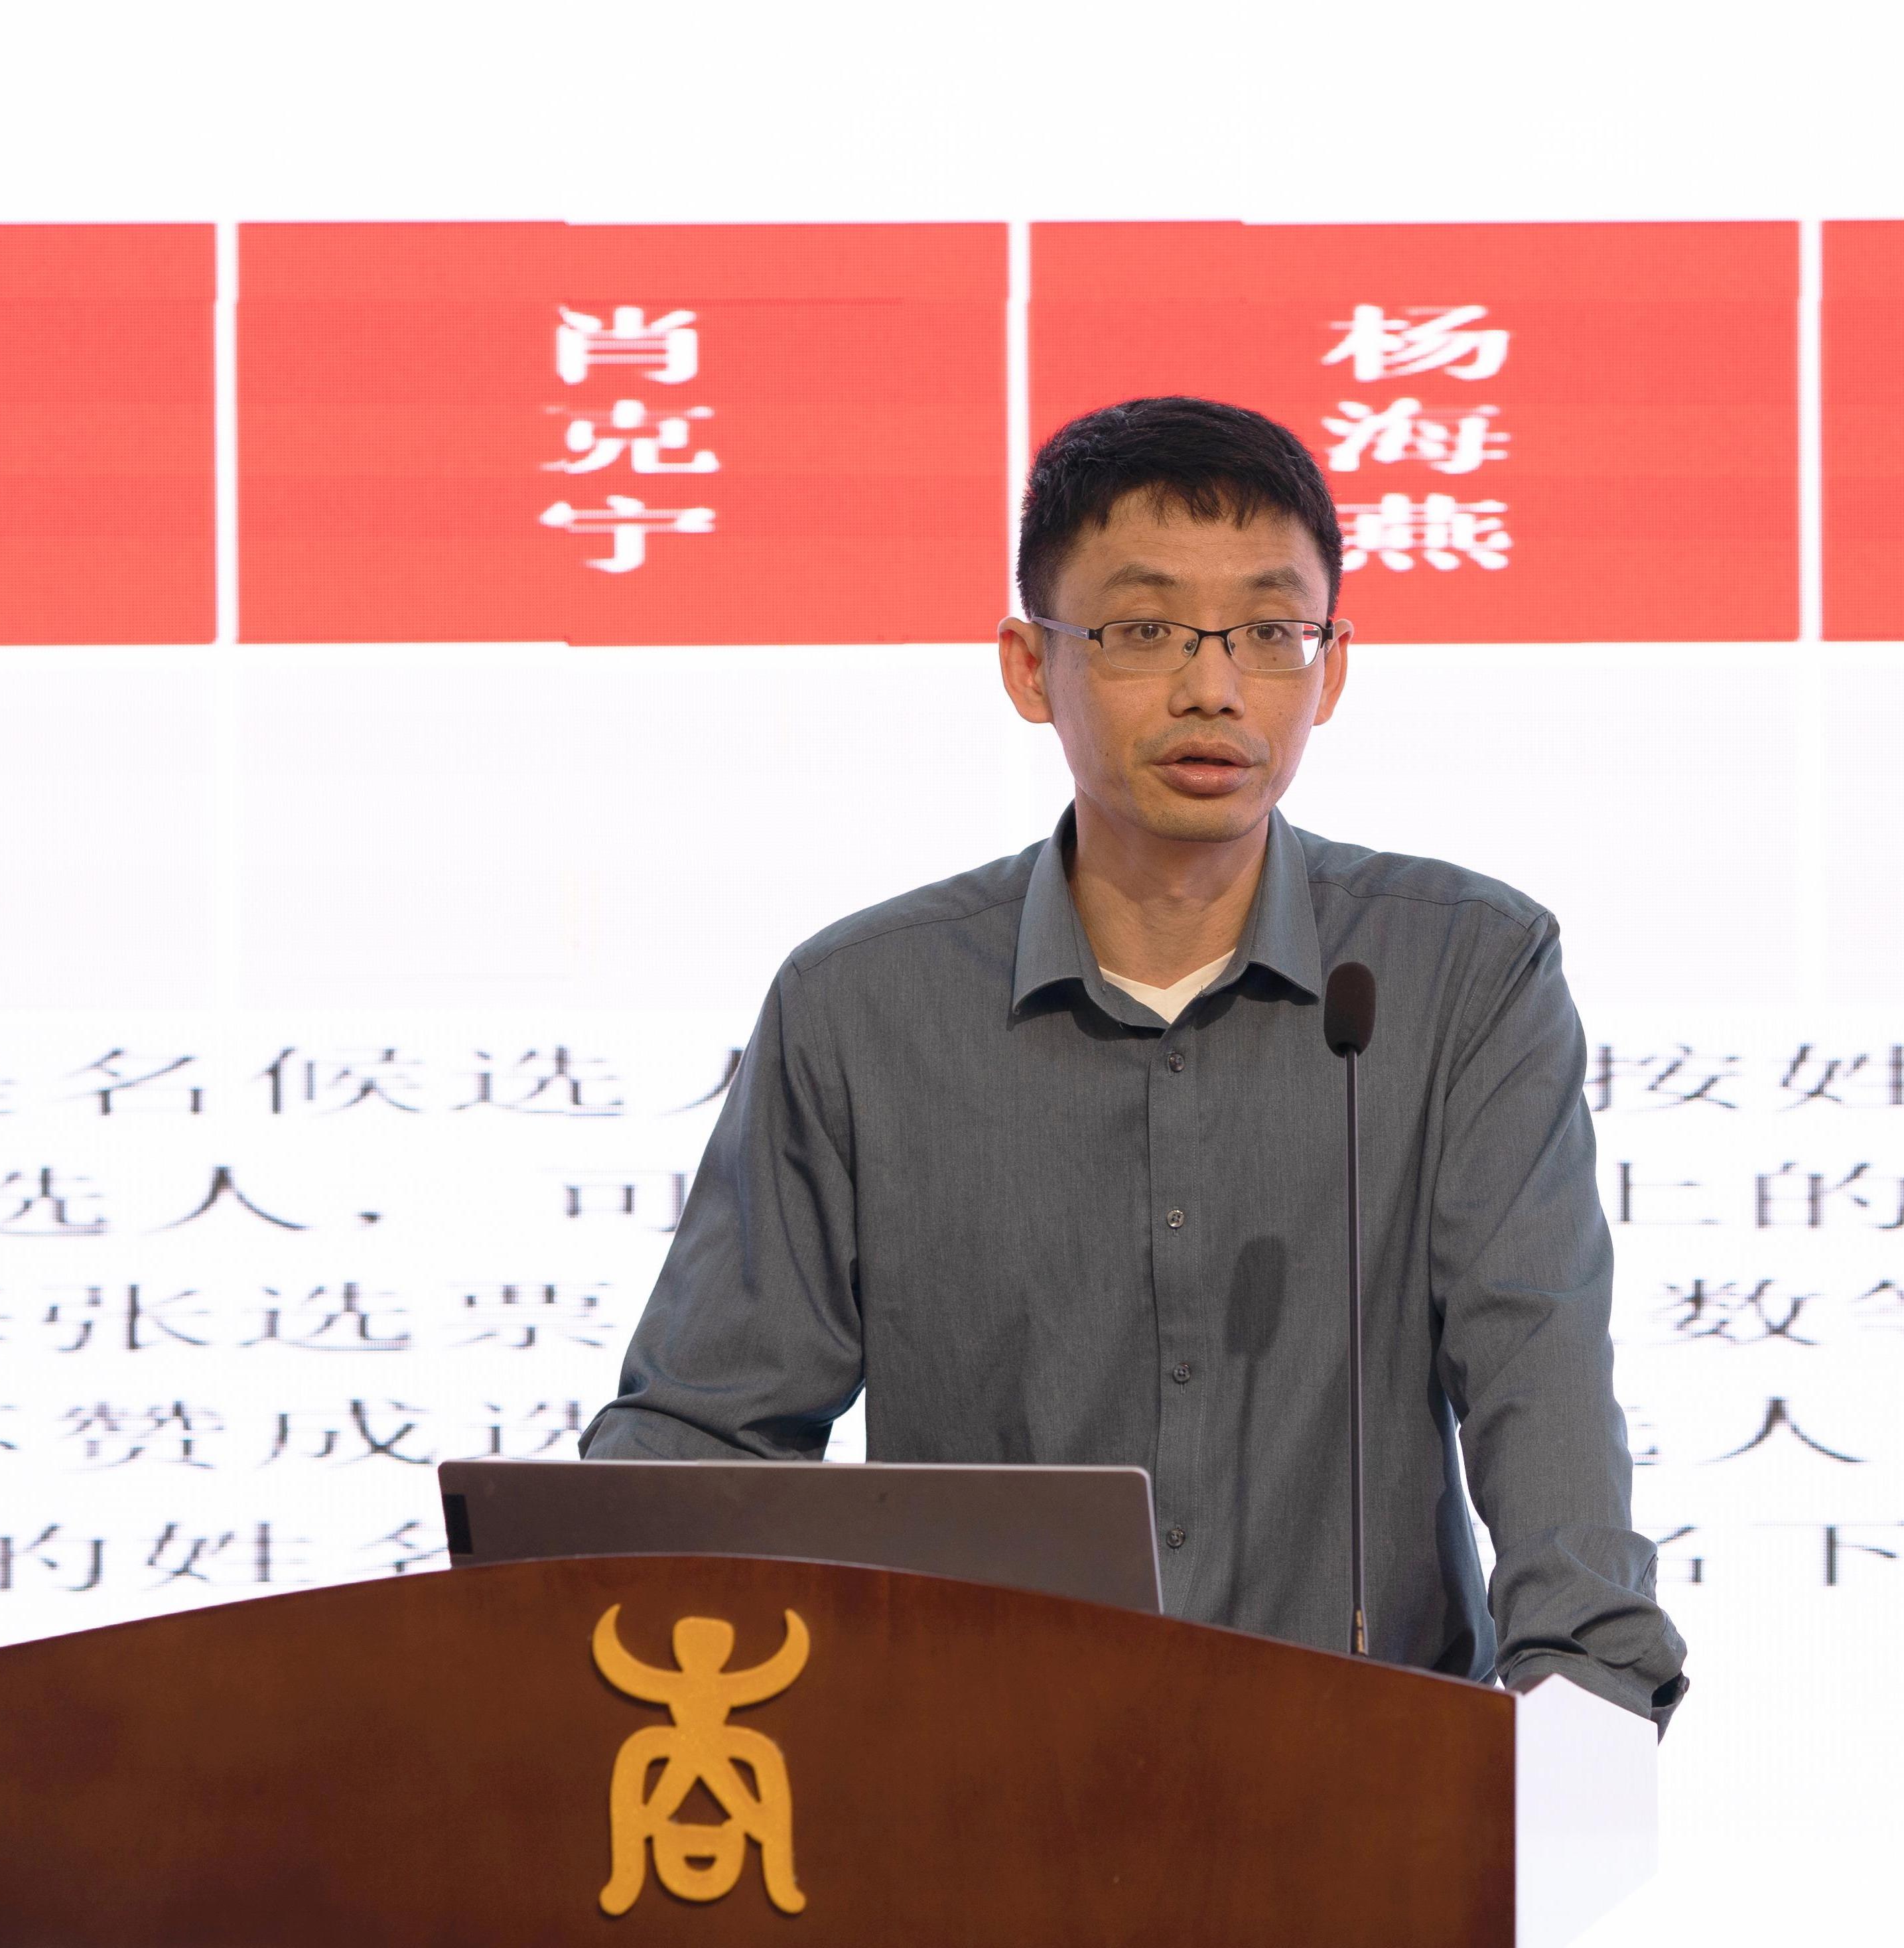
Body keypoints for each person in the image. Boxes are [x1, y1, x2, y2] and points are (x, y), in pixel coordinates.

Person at [584, 395, 1687, 1729]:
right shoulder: (862, 1006)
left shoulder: (1460, 971)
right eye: (1144, 630)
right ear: (1027, 666)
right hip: (977, 1778)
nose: (1213, 688)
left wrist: (1581, 1714)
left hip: (1364, 1780)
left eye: (1270, 632)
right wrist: (553, 1624)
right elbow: (712, 1430)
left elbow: (1535, 1366)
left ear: (1331, 670)